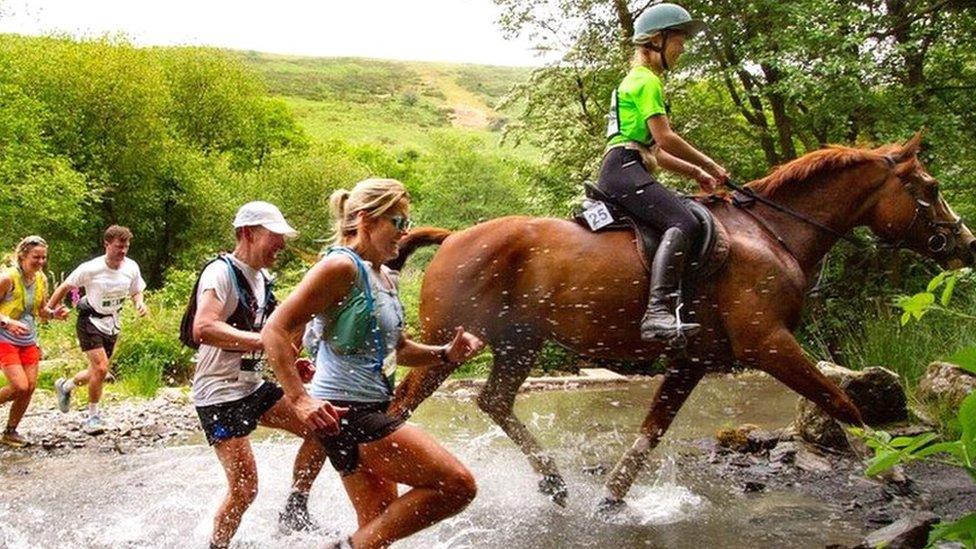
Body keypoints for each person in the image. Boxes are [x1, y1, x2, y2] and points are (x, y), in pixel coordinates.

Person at [263, 178, 484, 549]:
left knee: (376, 534)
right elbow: (275, 329)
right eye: (397, 223)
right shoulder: (340, 267)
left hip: (367, 410)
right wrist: (300, 399)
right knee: (458, 485)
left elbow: (399, 348)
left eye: (407, 223)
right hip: (349, 415)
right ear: (366, 220)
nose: (406, 232)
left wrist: (446, 353)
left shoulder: (382, 276)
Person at [187, 201, 332, 548]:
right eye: (274, 236)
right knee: (245, 489)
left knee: (323, 428)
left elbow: (268, 335)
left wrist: (287, 362)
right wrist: (268, 343)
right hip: (218, 395)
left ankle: (294, 509)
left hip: (251, 387)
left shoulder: (263, 279)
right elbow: (203, 328)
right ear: (248, 234)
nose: (280, 244)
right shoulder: (220, 273)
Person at [600, 2, 730, 341]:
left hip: (625, 166)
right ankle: (657, 313)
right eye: (679, 40)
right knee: (683, 221)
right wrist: (711, 165)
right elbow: (665, 138)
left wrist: (695, 174)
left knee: (681, 214)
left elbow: (655, 151)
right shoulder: (647, 82)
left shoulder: (636, 80)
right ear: (657, 40)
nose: (683, 48)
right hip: (626, 169)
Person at [47, 225, 148, 434]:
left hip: (112, 322)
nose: (123, 251)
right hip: (89, 320)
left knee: (96, 372)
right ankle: (93, 417)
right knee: (102, 369)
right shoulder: (91, 268)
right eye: (119, 246)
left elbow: (136, 291)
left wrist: (140, 303)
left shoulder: (131, 267)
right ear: (107, 244)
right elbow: (65, 286)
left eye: (126, 247)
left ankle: (65, 387)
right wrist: (49, 309)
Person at [0, 236, 69, 447]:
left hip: (28, 339)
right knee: (19, 385)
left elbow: (40, 311)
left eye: (44, 258)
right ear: (22, 256)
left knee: (29, 387)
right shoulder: (7, 278)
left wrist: (54, 314)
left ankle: (10, 431)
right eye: (36, 257)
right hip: (4, 338)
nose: (40, 262)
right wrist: (7, 321)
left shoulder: (41, 279)